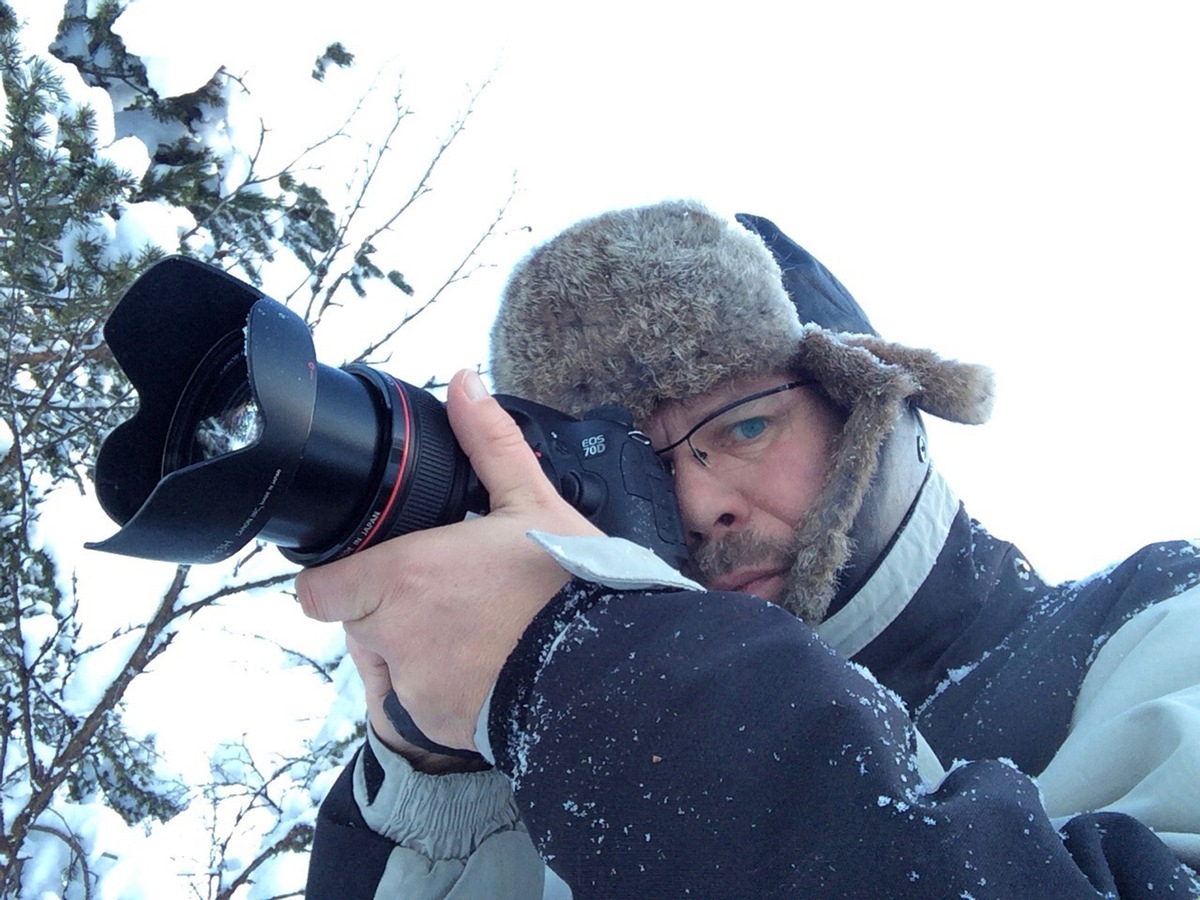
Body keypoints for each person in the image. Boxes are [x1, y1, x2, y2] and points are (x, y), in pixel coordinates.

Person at [299, 200, 1200, 897]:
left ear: (865, 414)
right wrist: (442, 790)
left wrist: (609, 671)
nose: (696, 505)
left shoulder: (1156, 617)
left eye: (749, 425)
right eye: (636, 469)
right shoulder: (566, 738)